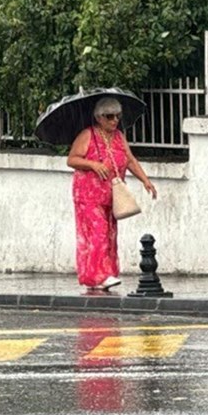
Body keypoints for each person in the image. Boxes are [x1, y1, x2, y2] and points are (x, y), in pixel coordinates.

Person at [66, 97, 158, 292]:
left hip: (110, 194)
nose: (114, 120)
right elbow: (72, 159)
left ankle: (102, 275)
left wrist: (145, 180)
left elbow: (130, 160)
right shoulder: (87, 135)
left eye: (117, 116)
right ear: (99, 118)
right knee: (97, 232)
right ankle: (99, 275)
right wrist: (93, 164)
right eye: (109, 117)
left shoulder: (118, 136)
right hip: (88, 195)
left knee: (109, 235)